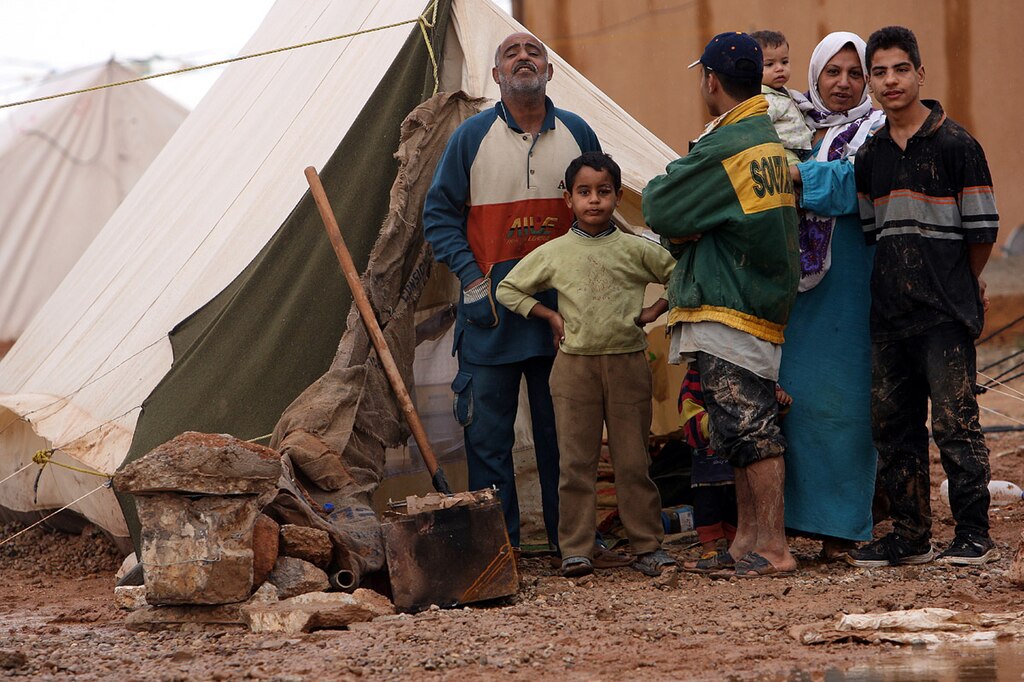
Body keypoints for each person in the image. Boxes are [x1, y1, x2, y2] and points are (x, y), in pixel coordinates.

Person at [422, 33, 601, 550]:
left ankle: (574, 546)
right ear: (496, 76)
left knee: (564, 440)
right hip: (490, 319)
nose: (524, 57)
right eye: (510, 53)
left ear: (550, 71)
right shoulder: (470, 137)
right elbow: (439, 216)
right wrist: (472, 277)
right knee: (488, 442)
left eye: (535, 52)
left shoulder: (578, 131)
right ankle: (498, 552)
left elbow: (600, 206)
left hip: (563, 319)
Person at [643, 32, 801, 578]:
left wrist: (692, 224)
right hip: (752, 299)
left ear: (711, 80)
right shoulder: (765, 139)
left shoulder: (726, 145)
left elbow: (661, 204)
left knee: (750, 425)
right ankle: (747, 543)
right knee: (738, 425)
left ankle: (774, 546)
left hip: (729, 304)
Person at [847, 26, 999, 567]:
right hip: (889, 314)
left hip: (944, 313)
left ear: (919, 73)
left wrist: (962, 282)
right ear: (871, 83)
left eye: (900, 69)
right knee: (894, 427)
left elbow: (981, 232)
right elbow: (874, 232)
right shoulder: (871, 155)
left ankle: (974, 533)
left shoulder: (957, 145)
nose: (891, 82)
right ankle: (909, 536)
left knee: (955, 424)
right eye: (879, 73)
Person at [496, 152, 678, 578]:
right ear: (568, 199)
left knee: (633, 461)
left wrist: (655, 311)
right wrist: (551, 316)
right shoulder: (555, 252)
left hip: (628, 363)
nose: (594, 201)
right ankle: (576, 549)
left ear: (617, 196)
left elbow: (683, 274)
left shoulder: (636, 249)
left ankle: (648, 545)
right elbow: (508, 289)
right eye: (584, 192)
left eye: (603, 192)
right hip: (574, 367)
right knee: (575, 463)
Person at [781, 32, 885, 561]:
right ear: (815, 76)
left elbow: (860, 182)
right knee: (797, 406)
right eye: (832, 73)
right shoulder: (792, 122)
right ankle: (796, 522)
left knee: (848, 411)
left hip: (852, 285)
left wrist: (798, 175)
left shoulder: (879, 128)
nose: (843, 84)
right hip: (798, 295)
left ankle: (844, 528)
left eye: (854, 74)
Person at [751, 30, 813, 166]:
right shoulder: (763, 100)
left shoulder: (785, 93)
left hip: (800, 152)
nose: (779, 68)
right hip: (782, 153)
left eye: (784, 62)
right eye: (769, 64)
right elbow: (757, 129)